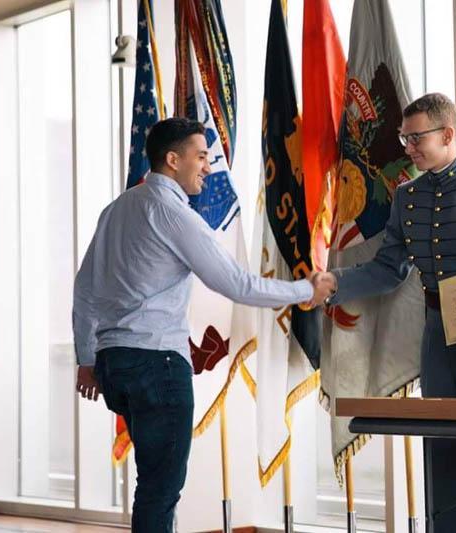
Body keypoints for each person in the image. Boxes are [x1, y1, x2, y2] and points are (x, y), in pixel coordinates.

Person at [73, 117, 334, 532]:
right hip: (157, 366)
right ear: (172, 160)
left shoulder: (116, 209)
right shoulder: (173, 213)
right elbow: (235, 283)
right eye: (201, 157)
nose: (208, 167)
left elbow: (84, 289)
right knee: (160, 489)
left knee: (152, 485)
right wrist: (305, 290)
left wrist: (87, 359)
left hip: (114, 365)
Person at [321, 93, 456, 533]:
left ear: (448, 135)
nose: (407, 148)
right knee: (443, 464)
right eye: (404, 137)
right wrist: (335, 283)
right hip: (436, 338)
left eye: (416, 138)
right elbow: (387, 269)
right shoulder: (408, 196)